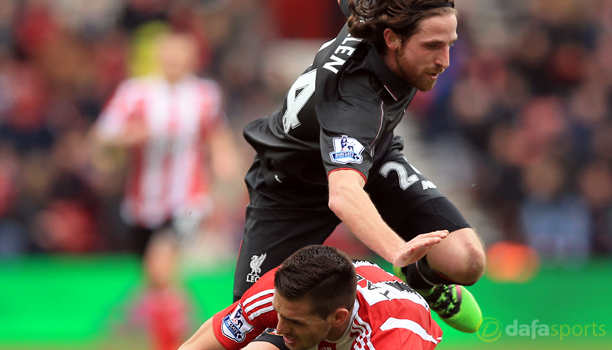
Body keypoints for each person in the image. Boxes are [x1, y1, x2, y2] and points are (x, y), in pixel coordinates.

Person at [233, 0, 485, 335]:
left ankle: (422, 278)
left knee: (466, 261)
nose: (444, 61)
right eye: (432, 46)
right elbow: (344, 194)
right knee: (251, 325)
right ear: (392, 38)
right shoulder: (357, 102)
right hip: (290, 188)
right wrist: (398, 250)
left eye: (450, 44)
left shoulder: (376, 8)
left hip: (370, 154)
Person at [91, 30, 239, 350]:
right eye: (168, 53)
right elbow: (103, 137)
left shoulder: (205, 94)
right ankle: (198, 325)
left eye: (181, 53)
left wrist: (227, 169)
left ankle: (176, 343)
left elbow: (216, 134)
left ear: (192, 58)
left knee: (160, 269)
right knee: (157, 281)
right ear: (158, 56)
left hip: (187, 200)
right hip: (141, 203)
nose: (173, 59)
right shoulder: (135, 93)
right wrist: (130, 137)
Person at [180, 244, 444, 350]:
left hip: (395, 315)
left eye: (295, 320)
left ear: (337, 317)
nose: (280, 327)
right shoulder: (272, 292)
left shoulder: (395, 336)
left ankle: (427, 284)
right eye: (278, 313)